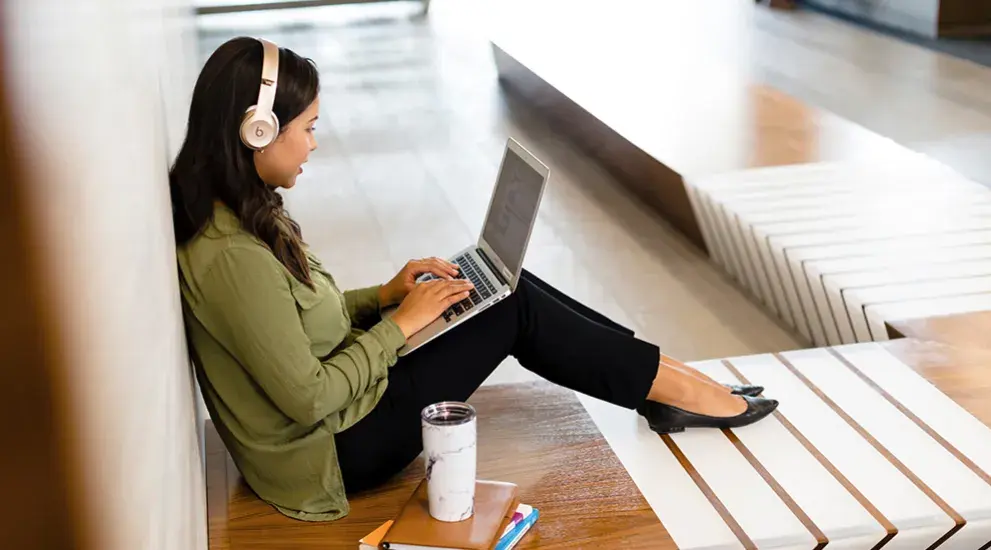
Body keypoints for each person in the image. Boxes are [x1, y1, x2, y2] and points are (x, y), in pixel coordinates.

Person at [169, 37, 778, 522]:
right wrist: (399, 327)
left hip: (346, 406)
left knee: (510, 285)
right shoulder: (231, 256)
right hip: (336, 448)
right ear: (257, 131)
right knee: (511, 307)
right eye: (306, 127)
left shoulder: (241, 214)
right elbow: (308, 398)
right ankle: (675, 389)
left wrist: (383, 298)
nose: (314, 143)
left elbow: (292, 321)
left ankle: (663, 380)